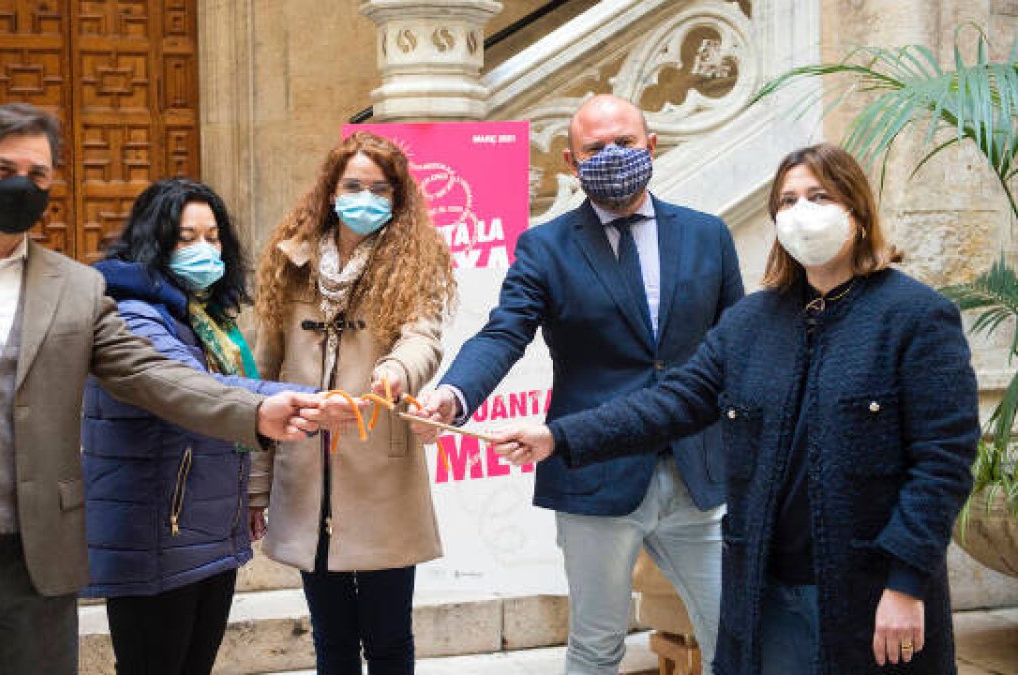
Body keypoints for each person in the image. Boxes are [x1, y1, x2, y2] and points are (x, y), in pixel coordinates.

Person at [0, 103, 335, 675]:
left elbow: (150, 375)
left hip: (39, 548)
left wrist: (256, 408)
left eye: (38, 174)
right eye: (4, 169)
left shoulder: (77, 286)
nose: (22, 185)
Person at [493, 143, 979, 675]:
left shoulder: (916, 317)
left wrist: (906, 583)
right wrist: (559, 437)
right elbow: (673, 402)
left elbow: (943, 464)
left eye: (819, 196)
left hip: (870, 591)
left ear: (858, 213)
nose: (802, 213)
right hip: (765, 594)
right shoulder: (752, 322)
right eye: (788, 200)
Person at [408, 94, 743, 674]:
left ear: (652, 145)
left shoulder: (708, 235)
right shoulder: (546, 246)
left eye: (625, 143)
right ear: (570, 161)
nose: (612, 155)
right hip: (593, 472)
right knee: (596, 646)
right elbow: (504, 334)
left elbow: (740, 344)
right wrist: (453, 395)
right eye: (594, 148)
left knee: (736, 639)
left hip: (699, 469)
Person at [80, 178, 313, 674]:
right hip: (156, 532)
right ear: (154, 241)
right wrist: (309, 399)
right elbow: (195, 390)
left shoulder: (207, 319)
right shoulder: (132, 313)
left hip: (204, 527)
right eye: (186, 238)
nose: (203, 250)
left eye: (213, 237)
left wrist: (245, 496)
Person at [249, 131, 456, 674]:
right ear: (331, 189)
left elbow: (423, 338)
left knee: (388, 639)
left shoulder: (414, 263)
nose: (365, 196)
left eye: (380, 188)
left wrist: (390, 374)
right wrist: (254, 486)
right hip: (304, 470)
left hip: (379, 471)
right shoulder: (289, 261)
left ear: (397, 197)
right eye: (353, 184)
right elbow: (261, 374)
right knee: (332, 640)